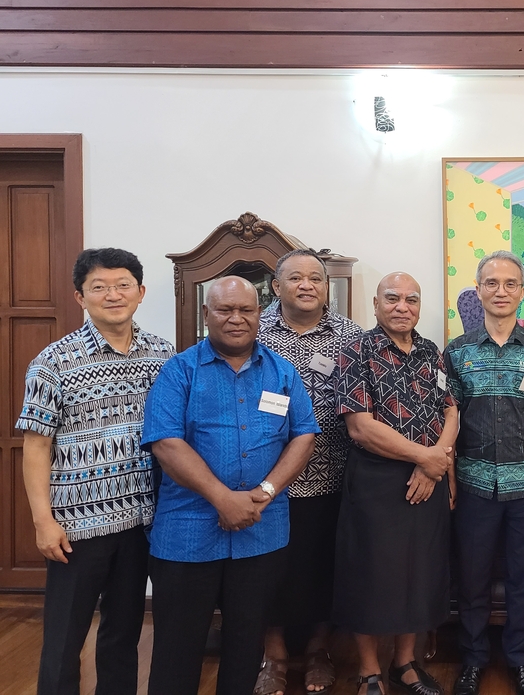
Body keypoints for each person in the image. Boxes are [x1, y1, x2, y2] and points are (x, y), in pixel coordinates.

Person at [143, 276, 319, 695]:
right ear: (207, 315)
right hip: (187, 533)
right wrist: (222, 498)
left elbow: (303, 434)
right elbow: (166, 442)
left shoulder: (281, 371)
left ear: (260, 314)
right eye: (225, 310)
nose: (237, 319)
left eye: (247, 310)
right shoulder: (179, 371)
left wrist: (266, 492)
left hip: (262, 531)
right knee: (177, 650)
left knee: (246, 647)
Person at [18, 248, 175, 695]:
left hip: (142, 519)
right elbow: (36, 445)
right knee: (64, 638)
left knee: (123, 634)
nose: (113, 295)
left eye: (123, 284)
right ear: (79, 297)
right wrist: (43, 521)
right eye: (99, 287)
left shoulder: (163, 355)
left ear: (141, 292)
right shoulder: (54, 362)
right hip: (76, 525)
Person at [334, 272, 458, 695]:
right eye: (393, 298)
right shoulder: (355, 351)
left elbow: (451, 410)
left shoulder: (431, 352)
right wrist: (425, 457)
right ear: (375, 303)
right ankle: (369, 670)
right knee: (373, 575)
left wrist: (435, 462)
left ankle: (404, 664)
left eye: (411, 299)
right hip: (376, 480)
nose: (402, 306)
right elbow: (361, 428)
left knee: (420, 573)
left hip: (430, 477)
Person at [443, 251, 524, 695]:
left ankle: (519, 660)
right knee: (471, 577)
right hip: (474, 483)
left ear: (522, 290)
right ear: (478, 290)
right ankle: (472, 659)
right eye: (491, 283)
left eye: (511, 283)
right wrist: (452, 477)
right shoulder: (457, 352)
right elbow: (449, 419)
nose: (501, 291)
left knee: (523, 577)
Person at [255, 249, 363, 695]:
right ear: (276, 287)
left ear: (327, 287)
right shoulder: (253, 331)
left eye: (315, 278)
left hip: (332, 474)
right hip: (266, 479)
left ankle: (319, 651)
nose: (307, 285)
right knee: (268, 572)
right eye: (295, 278)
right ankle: (274, 656)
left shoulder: (350, 336)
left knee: (324, 568)